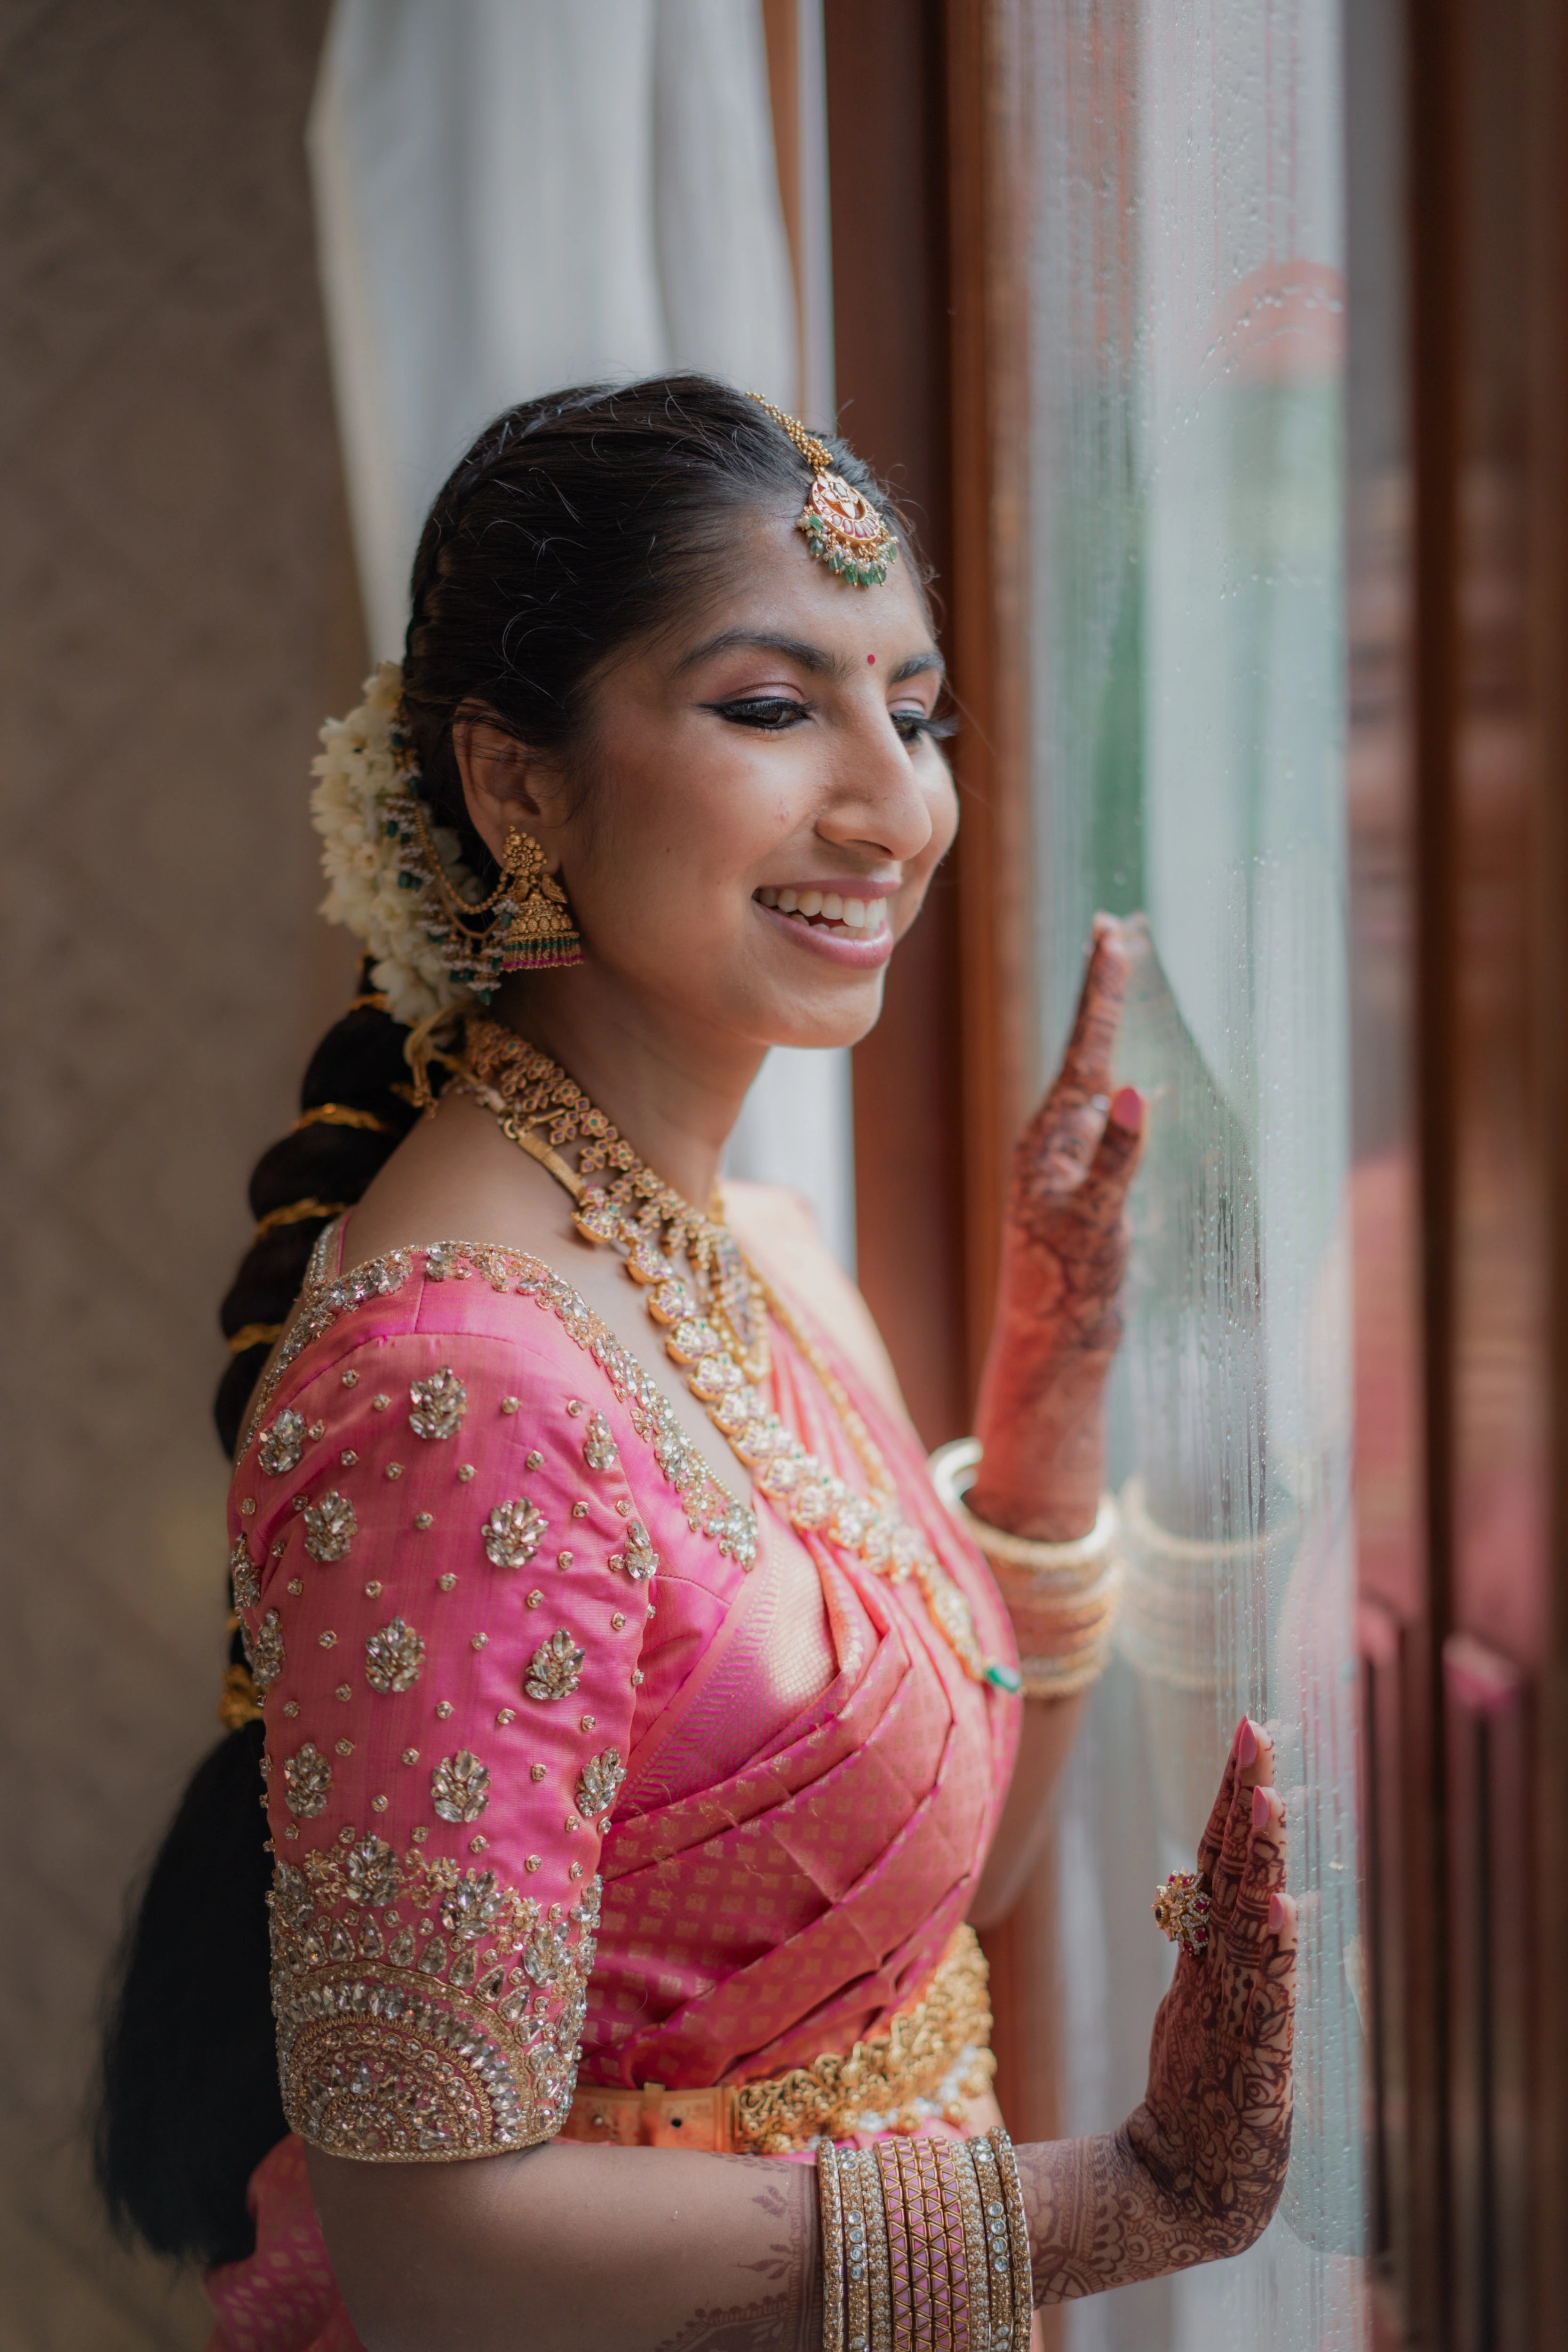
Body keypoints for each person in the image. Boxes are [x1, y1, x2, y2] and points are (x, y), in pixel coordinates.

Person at [97, 379, 1295, 2352]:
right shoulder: (460, 1395)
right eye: (771, 706)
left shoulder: (761, 1258)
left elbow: (917, 1900)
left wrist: (1054, 1376)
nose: (895, 803)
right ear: (517, 787)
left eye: (917, 713)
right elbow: (437, 2255)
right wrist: (1117, 2199)